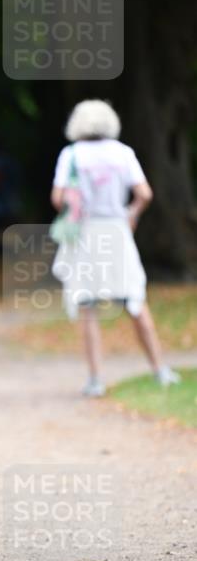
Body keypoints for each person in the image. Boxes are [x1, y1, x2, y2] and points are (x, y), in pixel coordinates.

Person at [50, 99, 181, 397]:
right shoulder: (123, 153)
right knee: (135, 300)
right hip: (116, 232)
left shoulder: (71, 155)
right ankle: (160, 368)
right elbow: (144, 193)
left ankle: (95, 379)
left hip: (84, 234)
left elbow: (59, 199)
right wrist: (131, 213)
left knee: (87, 306)